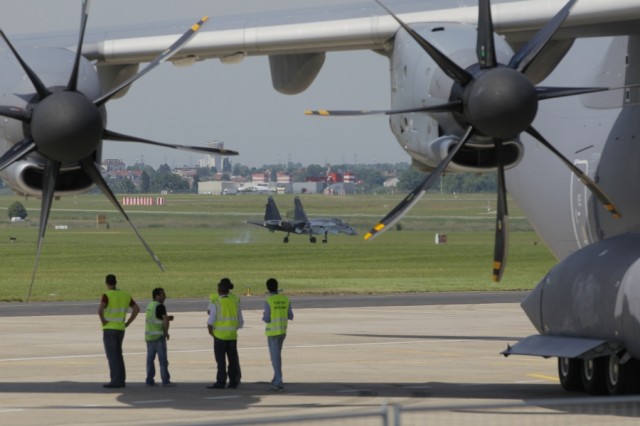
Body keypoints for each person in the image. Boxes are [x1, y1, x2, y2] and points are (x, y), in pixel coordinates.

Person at [98, 274, 140, 388]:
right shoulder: (125, 295)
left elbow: (100, 309)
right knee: (119, 355)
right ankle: (121, 379)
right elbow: (136, 309)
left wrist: (103, 321)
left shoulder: (107, 295)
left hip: (109, 328)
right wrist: (128, 322)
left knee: (112, 356)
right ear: (116, 282)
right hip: (121, 329)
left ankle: (115, 380)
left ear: (107, 283)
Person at [207, 278, 244, 389]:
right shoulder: (235, 300)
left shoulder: (216, 302)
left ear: (219, 289)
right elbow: (240, 320)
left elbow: (210, 320)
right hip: (232, 335)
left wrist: (211, 332)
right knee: (232, 360)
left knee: (221, 361)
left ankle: (221, 381)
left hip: (219, 336)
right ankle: (233, 382)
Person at [262, 278, 294, 392]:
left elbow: (267, 318)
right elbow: (290, 315)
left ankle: (278, 382)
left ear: (268, 287)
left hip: (273, 332)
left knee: (275, 358)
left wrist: (263, 317)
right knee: (277, 356)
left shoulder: (269, 300)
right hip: (282, 330)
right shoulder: (285, 299)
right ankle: (276, 377)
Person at [145, 287, 175, 387]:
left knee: (150, 359)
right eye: (162, 294)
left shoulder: (150, 305)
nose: (165, 296)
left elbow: (155, 319)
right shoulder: (160, 306)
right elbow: (165, 321)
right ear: (157, 296)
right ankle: (165, 380)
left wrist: (166, 318)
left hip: (149, 338)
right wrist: (166, 332)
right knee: (163, 360)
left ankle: (149, 379)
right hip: (158, 336)